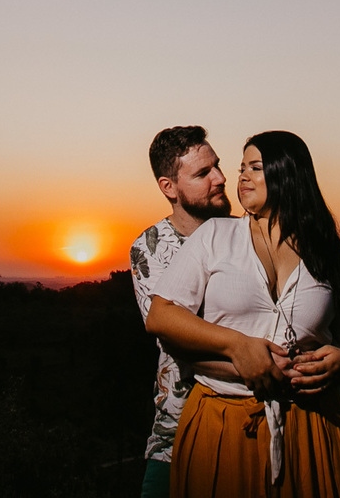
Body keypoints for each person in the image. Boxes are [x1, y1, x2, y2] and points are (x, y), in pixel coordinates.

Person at [146, 130, 340, 497]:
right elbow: (161, 317)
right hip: (224, 421)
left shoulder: (328, 252)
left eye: (256, 167)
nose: (239, 177)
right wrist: (238, 347)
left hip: (314, 425)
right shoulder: (215, 235)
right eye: (242, 167)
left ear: (288, 173)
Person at [128, 126, 234, 498]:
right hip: (177, 432)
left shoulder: (247, 236)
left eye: (217, 166)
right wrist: (248, 357)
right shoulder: (150, 248)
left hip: (249, 427)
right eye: (203, 173)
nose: (221, 179)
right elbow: (175, 337)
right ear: (169, 187)